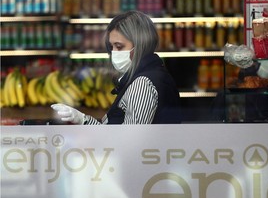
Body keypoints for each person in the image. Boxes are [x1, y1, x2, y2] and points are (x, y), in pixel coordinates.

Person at [51, 10, 182, 124]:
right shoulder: (154, 74)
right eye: (111, 47)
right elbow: (116, 134)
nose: (114, 52)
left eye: (119, 47)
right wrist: (82, 119)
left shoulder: (142, 84)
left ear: (140, 45)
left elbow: (129, 142)